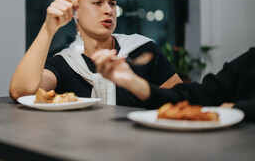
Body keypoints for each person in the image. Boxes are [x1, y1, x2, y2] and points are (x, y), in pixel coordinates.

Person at [10, 0, 182, 106]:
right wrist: (48, 29)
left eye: (112, 3)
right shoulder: (64, 63)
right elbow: (21, 93)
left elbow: (180, 99)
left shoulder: (142, 49)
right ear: (75, 10)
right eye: (98, 3)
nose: (108, 10)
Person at [92, 47, 255, 121]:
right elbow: (201, 95)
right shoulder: (250, 60)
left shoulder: (144, 46)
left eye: (112, 3)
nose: (107, 10)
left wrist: (237, 109)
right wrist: (134, 82)